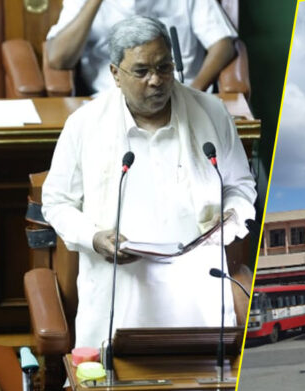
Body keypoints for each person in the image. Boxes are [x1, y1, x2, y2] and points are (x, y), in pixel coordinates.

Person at [41, 16, 256, 350]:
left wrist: (230, 217)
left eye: (165, 67)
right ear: (115, 73)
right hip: (120, 292)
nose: (156, 80)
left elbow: (240, 186)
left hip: (196, 291)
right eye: (141, 72)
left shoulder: (211, 112)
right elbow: (56, 202)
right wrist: (95, 237)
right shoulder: (84, 125)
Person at [46, 0, 237, 94]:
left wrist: (194, 91)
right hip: (113, 102)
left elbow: (223, 44)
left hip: (180, 93)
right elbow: (58, 58)